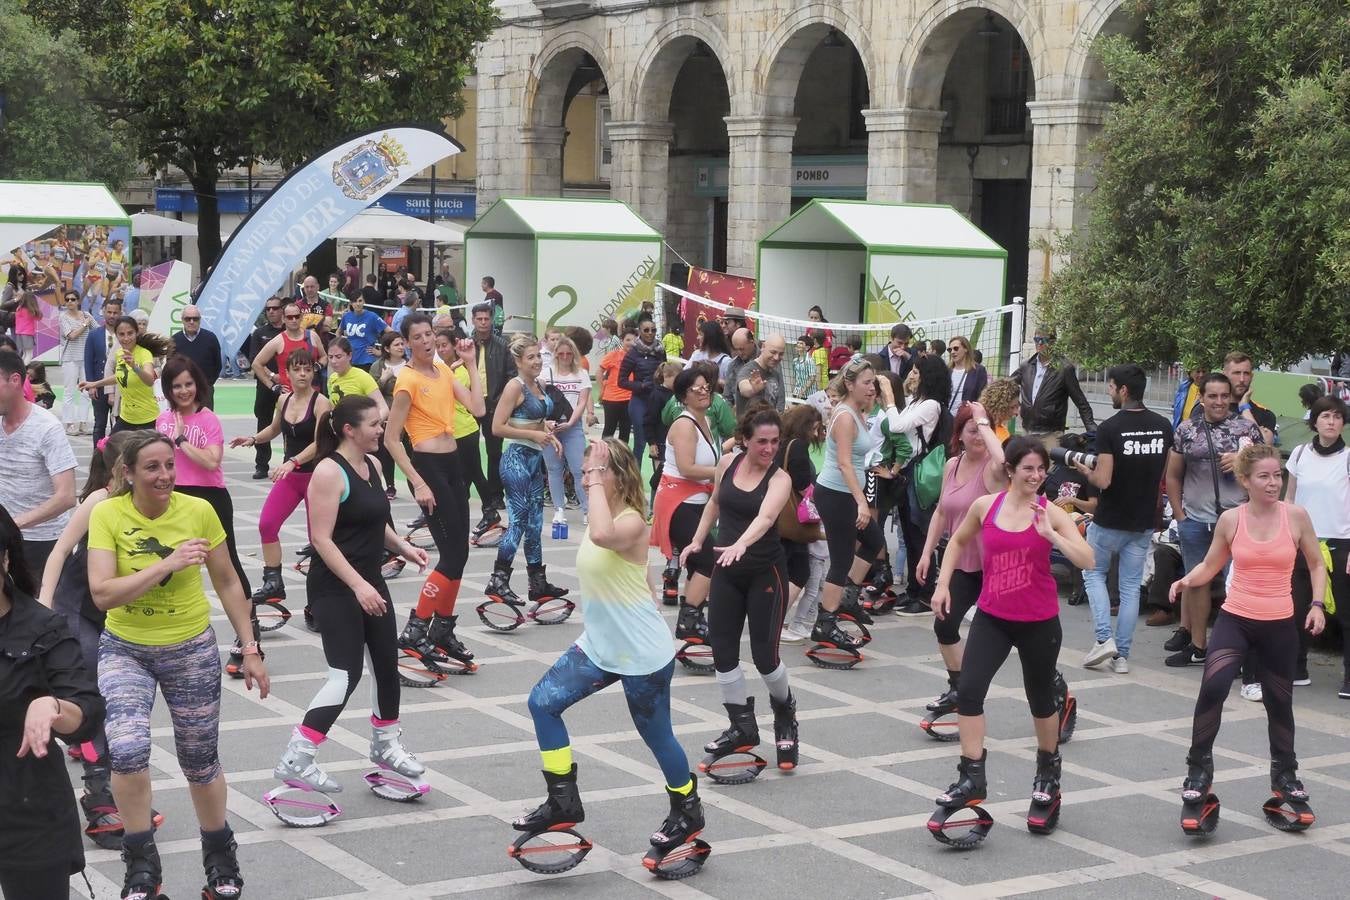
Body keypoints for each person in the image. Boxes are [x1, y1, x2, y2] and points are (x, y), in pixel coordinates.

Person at [87, 431, 269, 900]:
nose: (165, 475)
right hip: (126, 648)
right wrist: (165, 564)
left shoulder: (198, 512)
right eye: (152, 467)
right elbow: (103, 593)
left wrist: (249, 648)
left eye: (169, 465)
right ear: (127, 472)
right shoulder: (107, 513)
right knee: (126, 751)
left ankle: (220, 858)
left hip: (190, 649)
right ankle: (141, 866)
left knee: (199, 760)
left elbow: (228, 581)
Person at [516, 438, 706, 859]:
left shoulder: (632, 520)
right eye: (584, 473)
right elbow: (636, 570)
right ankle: (562, 799)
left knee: (657, 737)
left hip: (642, 655)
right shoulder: (602, 511)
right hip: (600, 647)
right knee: (542, 703)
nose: (587, 480)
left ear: (619, 475)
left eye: (596, 471)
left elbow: (605, 537)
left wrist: (598, 483)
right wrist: (649, 591)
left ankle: (687, 809)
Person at [930, 437, 1094, 824]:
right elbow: (956, 541)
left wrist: (1053, 534)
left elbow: (1088, 559)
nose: (1037, 476)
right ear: (1010, 471)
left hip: (1038, 622)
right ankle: (971, 776)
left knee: (1040, 699)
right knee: (968, 690)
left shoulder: (1051, 512)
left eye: (1041, 470)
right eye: (1028, 469)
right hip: (993, 617)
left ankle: (1048, 774)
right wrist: (942, 584)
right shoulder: (986, 506)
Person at [274, 396, 430, 800]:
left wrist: (403, 547)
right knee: (345, 675)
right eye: (374, 424)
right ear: (349, 430)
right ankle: (298, 755)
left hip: (370, 581)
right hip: (335, 586)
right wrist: (359, 586)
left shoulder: (374, 465)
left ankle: (386, 745)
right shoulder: (328, 472)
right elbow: (320, 539)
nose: (381, 430)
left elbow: (375, 524)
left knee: (385, 666)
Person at [1169, 444, 1326, 822]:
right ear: (1245, 481)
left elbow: (1317, 564)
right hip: (1236, 620)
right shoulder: (1231, 520)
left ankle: (1285, 774)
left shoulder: (1297, 517)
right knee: (1214, 687)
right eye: (1264, 477)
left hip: (1279, 625)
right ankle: (1198, 770)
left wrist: (1317, 604)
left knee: (1279, 702)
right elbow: (1210, 565)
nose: (1273, 483)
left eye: (1277, 476)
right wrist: (1184, 581)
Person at [683, 406, 799, 769]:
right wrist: (697, 541)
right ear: (745, 440)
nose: (769, 449)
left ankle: (785, 711)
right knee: (723, 651)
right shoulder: (728, 463)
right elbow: (715, 503)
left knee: (766, 658)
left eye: (775, 442)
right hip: (727, 572)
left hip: (766, 573)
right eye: (761, 441)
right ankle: (741, 725)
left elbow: (766, 518)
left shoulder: (780, 479)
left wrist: (741, 544)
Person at [0, 504, 105, 900]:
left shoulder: (42, 626)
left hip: (28, 804)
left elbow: (87, 712)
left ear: (7, 556)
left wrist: (52, 707)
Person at [386, 313, 485, 673]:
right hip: (427, 467)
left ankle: (441, 628)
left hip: (453, 464)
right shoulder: (406, 382)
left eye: (430, 334)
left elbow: (477, 408)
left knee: (459, 554)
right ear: (407, 343)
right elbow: (391, 439)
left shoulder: (443, 371)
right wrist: (418, 482)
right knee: (449, 555)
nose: (427, 341)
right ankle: (415, 629)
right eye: (419, 337)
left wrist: (471, 364)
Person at [1076, 364, 1173, 674]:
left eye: (1111, 386)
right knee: (1130, 587)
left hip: (1109, 519)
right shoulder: (1163, 425)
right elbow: (1165, 473)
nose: (1109, 391)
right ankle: (1122, 656)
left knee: (1094, 574)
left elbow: (1103, 481)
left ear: (1124, 391)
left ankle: (1104, 639)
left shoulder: (1110, 428)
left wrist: (1085, 470)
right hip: (1144, 518)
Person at [1164, 373, 1264, 667]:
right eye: (1212, 396)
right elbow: (1173, 475)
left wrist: (1242, 460)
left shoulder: (1246, 430)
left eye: (1224, 396)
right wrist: (1180, 515)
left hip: (1237, 520)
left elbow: (1266, 470)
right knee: (1197, 582)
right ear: (1202, 397)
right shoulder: (1186, 430)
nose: (1219, 402)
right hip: (1196, 518)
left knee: (1239, 585)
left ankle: (1238, 652)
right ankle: (1198, 646)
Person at [914, 402, 1008, 716]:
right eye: (973, 431)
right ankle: (958, 688)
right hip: (963, 564)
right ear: (960, 434)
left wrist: (983, 421)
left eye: (984, 431)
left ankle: (1055, 687)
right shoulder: (952, 465)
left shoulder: (993, 470)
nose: (979, 437)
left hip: (996, 568)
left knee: (1021, 638)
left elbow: (1004, 458)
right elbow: (941, 511)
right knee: (945, 625)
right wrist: (926, 553)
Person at [230, 349, 332, 627]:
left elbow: (321, 443)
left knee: (319, 542)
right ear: (288, 372)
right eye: (296, 369)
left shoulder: (322, 403)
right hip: (291, 476)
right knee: (267, 524)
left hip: (316, 477)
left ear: (313, 372)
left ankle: (318, 604)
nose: (302, 374)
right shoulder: (284, 400)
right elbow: (275, 428)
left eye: (307, 369)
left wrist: (293, 462)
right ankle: (273, 581)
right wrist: (252, 438)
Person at [810, 358, 894, 649]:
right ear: (849, 384)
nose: (872, 388)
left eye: (874, 382)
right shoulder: (845, 415)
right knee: (842, 557)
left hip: (847, 492)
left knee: (873, 541)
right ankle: (826, 622)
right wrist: (861, 502)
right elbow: (845, 464)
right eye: (867, 382)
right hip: (837, 493)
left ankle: (847, 596)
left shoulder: (857, 411)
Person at [487, 335, 568, 604]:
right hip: (516, 460)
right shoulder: (515, 386)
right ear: (518, 361)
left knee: (535, 524)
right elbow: (497, 427)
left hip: (535, 461)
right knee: (519, 521)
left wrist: (547, 432)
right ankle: (498, 581)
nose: (536, 361)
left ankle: (538, 582)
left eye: (538, 356)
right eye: (530, 357)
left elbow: (535, 422)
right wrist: (534, 436)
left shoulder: (539, 385)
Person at [1284, 394, 1350, 695]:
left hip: (1340, 542)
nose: (1331, 421)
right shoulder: (1298, 454)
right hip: (1302, 540)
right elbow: (1290, 498)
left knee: (1345, 612)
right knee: (1298, 606)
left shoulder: (1348, 457)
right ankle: (1297, 667)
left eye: (1337, 416)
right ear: (1315, 420)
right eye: (1325, 416)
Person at [654, 366, 722, 634]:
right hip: (678, 504)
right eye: (698, 389)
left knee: (699, 562)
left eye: (707, 386)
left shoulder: (703, 421)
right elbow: (687, 467)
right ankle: (689, 619)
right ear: (684, 396)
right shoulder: (684, 424)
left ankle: (695, 616)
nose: (705, 392)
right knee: (709, 559)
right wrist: (722, 471)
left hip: (697, 502)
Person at [0, 349, 78, 579]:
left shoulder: (47, 428)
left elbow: (66, 497)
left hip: (42, 541)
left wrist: (14, 524)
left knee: (40, 610)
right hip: (7, 540)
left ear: (14, 380)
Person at [894, 354, 953, 612]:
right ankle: (913, 589)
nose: (912, 375)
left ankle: (925, 592)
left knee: (920, 534)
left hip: (918, 475)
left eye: (917, 372)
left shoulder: (931, 405)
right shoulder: (916, 401)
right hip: (907, 473)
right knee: (908, 534)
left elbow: (896, 425)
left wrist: (887, 396)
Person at [78, 316, 169, 434]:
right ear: (116, 335)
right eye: (121, 334)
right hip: (126, 417)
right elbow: (120, 376)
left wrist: (134, 366)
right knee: (107, 449)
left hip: (146, 418)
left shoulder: (144, 354)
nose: (126, 338)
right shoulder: (119, 353)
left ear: (136, 333)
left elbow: (149, 380)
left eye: (130, 333)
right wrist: (94, 383)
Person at [472, 302, 516, 525]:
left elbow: (511, 375)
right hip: (469, 404)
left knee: (494, 452)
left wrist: (501, 401)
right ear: (473, 320)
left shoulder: (502, 345)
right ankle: (472, 491)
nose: (483, 322)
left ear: (491, 320)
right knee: (468, 451)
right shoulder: (465, 344)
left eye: (486, 319)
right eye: (479, 319)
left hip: (494, 405)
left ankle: (496, 494)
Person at [543, 335, 591, 528]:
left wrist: (572, 421)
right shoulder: (546, 372)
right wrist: (546, 421)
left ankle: (587, 509)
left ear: (573, 354)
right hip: (551, 427)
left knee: (579, 469)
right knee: (554, 469)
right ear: (556, 354)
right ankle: (559, 509)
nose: (564, 357)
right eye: (561, 353)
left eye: (568, 354)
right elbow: (540, 398)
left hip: (573, 426)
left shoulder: (581, 373)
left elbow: (582, 400)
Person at [1011, 326, 1096, 436]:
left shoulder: (1065, 369)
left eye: (1044, 340)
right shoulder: (1026, 366)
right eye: (1037, 339)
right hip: (1028, 429)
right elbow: (1006, 386)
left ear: (1053, 342)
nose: (1040, 343)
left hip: (1051, 432)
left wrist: (1092, 430)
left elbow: (1081, 402)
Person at [250, 301, 328, 398]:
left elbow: (324, 356)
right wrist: (273, 386)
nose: (294, 320)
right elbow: (256, 364)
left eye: (297, 316)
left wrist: (317, 366)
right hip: (289, 397)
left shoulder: (312, 336)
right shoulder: (278, 341)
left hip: (313, 395)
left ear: (301, 317)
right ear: (283, 319)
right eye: (290, 317)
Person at [246, 297, 286, 478]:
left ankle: (290, 461)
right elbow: (255, 360)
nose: (271, 311)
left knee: (290, 423)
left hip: (287, 386)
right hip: (265, 386)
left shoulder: (289, 332)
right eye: (268, 309)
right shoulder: (259, 333)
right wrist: (271, 376)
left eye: (275, 308)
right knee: (263, 422)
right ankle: (261, 464)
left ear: (282, 310)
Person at [618, 318, 667, 464]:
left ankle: (656, 484)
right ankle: (634, 481)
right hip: (639, 401)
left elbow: (665, 372)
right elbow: (621, 381)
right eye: (646, 330)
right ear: (640, 332)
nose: (650, 333)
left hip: (657, 400)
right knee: (640, 442)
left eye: (653, 330)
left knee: (659, 442)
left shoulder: (660, 351)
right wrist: (641, 386)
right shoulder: (633, 354)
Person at [370, 330, 408, 491]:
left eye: (402, 344)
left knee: (413, 452)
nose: (401, 347)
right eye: (396, 344)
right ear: (386, 348)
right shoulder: (378, 366)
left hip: (409, 416)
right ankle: (390, 486)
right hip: (387, 416)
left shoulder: (410, 364)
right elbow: (371, 391)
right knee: (386, 452)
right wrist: (383, 379)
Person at [83, 295, 123, 444]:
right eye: (109, 312)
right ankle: (97, 458)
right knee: (99, 424)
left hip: (119, 386)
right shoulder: (94, 335)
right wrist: (92, 385)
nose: (112, 315)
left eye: (115, 312)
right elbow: (88, 361)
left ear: (120, 313)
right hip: (99, 386)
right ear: (104, 312)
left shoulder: (124, 335)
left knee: (118, 424)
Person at [58, 289, 95, 435]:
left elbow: (97, 330)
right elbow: (71, 335)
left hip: (86, 357)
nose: (69, 302)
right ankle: (69, 423)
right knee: (69, 391)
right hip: (70, 358)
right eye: (67, 299)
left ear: (78, 301)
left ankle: (83, 422)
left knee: (86, 391)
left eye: (73, 299)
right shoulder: (63, 317)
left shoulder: (87, 315)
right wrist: (85, 325)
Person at [170, 304, 223, 393]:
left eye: (195, 319)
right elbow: (171, 366)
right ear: (182, 320)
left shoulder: (211, 338)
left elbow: (218, 365)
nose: (191, 321)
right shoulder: (174, 340)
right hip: (183, 391)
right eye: (188, 319)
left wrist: (208, 384)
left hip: (205, 390)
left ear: (200, 320)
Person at [599, 327, 635, 443]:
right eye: (628, 340)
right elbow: (599, 371)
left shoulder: (638, 357)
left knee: (625, 431)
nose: (631, 343)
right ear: (622, 341)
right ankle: (604, 455)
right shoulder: (613, 355)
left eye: (634, 340)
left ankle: (621, 458)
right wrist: (602, 388)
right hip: (611, 399)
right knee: (609, 430)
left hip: (629, 399)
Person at [735, 334, 787, 415]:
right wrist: (752, 389)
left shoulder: (775, 372)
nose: (776, 357)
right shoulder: (749, 369)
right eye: (773, 352)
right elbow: (743, 388)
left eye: (781, 354)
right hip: (750, 426)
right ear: (763, 347)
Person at [337, 291, 389, 370]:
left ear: (364, 301)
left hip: (367, 360)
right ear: (350, 303)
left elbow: (391, 332)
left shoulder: (372, 316)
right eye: (355, 301)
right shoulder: (346, 316)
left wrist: (382, 352)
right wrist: (341, 348)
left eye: (360, 301)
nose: (358, 304)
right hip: (350, 360)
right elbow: (338, 332)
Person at [946, 335, 987, 414]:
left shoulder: (978, 370)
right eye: (950, 350)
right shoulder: (947, 371)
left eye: (956, 348)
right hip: (947, 418)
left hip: (967, 418)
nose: (952, 352)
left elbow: (982, 397)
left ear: (966, 349)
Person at [689, 320, 734, 387]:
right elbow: (685, 375)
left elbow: (732, 387)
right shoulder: (697, 355)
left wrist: (717, 382)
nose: (697, 338)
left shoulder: (726, 362)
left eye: (700, 334)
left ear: (710, 337)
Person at [723, 328, 757, 411]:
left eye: (742, 349)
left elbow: (779, 393)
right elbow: (727, 397)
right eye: (736, 349)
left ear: (752, 342)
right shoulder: (732, 365)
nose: (739, 353)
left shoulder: (767, 360)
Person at [1172, 362, 1208, 430]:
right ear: (1190, 373)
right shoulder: (1183, 387)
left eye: (1204, 371)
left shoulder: (1210, 390)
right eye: (1198, 371)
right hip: (1181, 431)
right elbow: (1176, 414)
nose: (1201, 375)